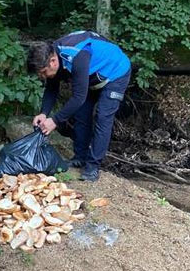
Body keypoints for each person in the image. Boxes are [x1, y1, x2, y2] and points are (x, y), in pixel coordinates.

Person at [27, 30, 132, 182]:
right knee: (81, 113)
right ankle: (80, 157)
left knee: (103, 117)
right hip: (93, 74)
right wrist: (44, 113)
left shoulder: (77, 56)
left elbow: (78, 97)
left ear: (53, 61)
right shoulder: (52, 53)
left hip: (115, 72)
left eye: (43, 72)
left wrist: (55, 121)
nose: (43, 77)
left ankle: (93, 166)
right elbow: (52, 88)